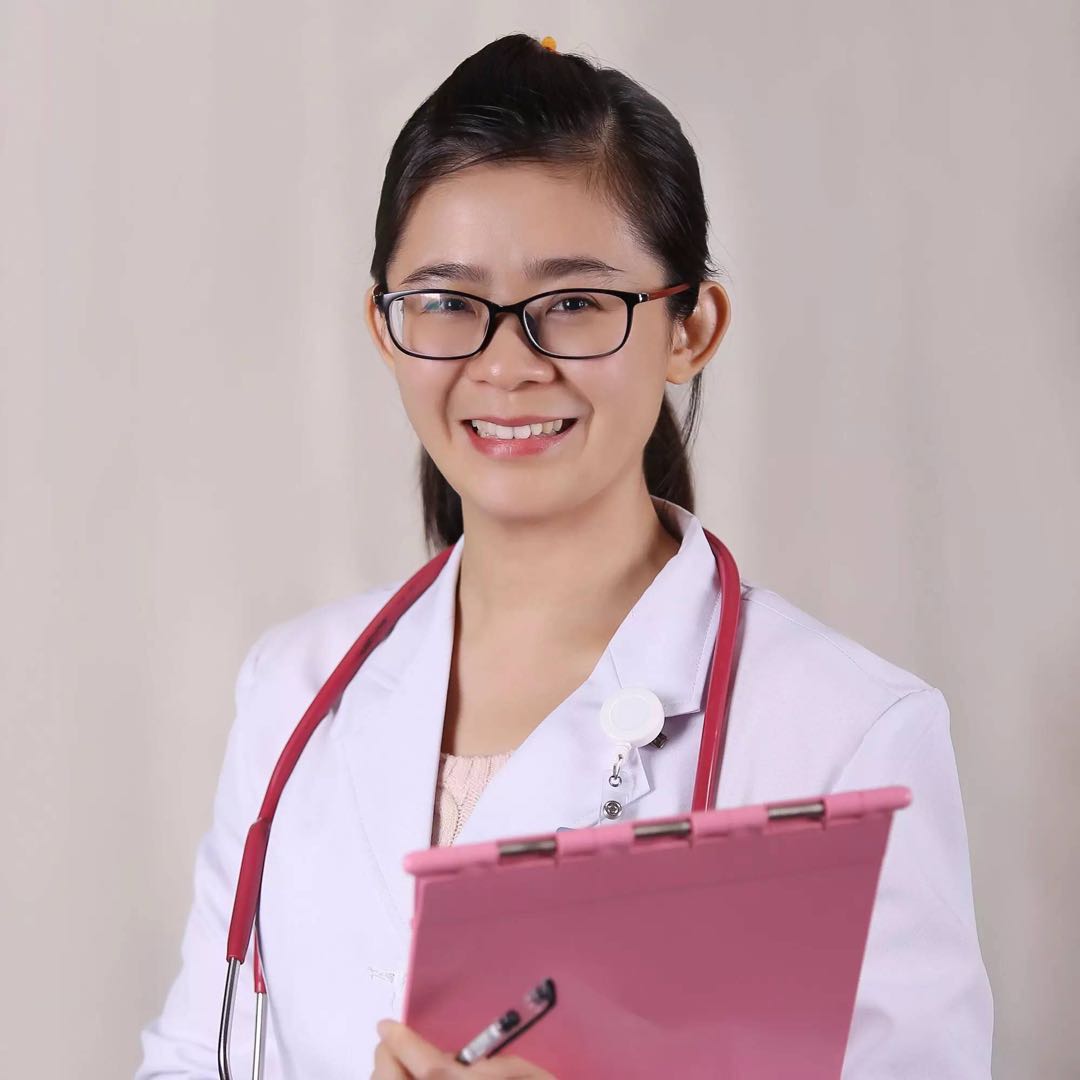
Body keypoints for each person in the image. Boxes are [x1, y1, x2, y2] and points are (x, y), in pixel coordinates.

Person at [136, 33, 994, 1079]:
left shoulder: (849, 733)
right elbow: (195, 1058)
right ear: (385, 327)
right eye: (447, 302)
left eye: (575, 304)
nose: (506, 365)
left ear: (690, 328)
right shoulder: (293, 691)